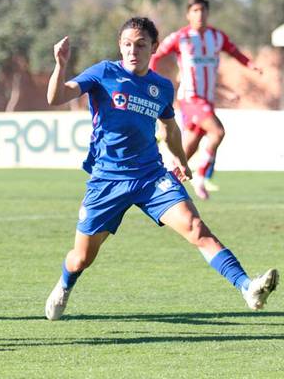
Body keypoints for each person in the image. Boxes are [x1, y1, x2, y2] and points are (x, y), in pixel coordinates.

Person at [43, 17, 278, 321]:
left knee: (195, 227)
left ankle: (248, 287)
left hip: (151, 177)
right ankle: (64, 284)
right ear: (120, 46)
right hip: (107, 180)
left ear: (154, 47)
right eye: (127, 44)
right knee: (82, 258)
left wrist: (179, 157)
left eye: (140, 45)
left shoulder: (161, 87)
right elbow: (56, 97)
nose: (133, 51)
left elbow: (169, 128)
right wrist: (60, 63)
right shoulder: (104, 72)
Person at [149, 0, 262, 199]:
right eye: (195, 10)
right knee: (218, 132)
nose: (199, 14)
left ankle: (164, 184)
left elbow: (235, 52)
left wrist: (250, 64)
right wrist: (149, 76)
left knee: (188, 149)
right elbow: (156, 54)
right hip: (190, 98)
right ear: (188, 14)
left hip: (208, 100)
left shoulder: (217, 37)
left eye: (203, 10)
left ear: (208, 14)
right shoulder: (180, 37)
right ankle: (201, 176)